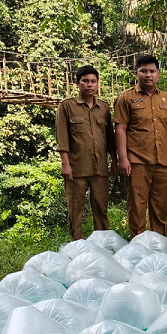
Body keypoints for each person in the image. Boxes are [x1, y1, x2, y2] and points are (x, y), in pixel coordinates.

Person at [113, 56, 167, 238]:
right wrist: (123, 159)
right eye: (144, 71)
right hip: (137, 161)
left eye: (152, 71)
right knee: (137, 207)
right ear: (137, 73)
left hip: (163, 162)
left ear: (158, 74)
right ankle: (138, 245)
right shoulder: (126, 98)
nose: (148, 75)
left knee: (160, 207)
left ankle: (158, 244)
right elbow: (120, 128)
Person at [55, 64, 116, 240]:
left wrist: (115, 161)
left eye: (93, 81)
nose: (89, 85)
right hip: (76, 168)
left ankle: (103, 245)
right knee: (76, 209)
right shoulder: (66, 106)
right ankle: (77, 246)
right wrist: (65, 164)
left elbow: (110, 138)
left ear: (98, 84)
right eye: (85, 81)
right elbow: (62, 138)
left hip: (100, 168)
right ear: (77, 83)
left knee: (101, 209)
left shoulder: (104, 108)